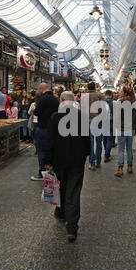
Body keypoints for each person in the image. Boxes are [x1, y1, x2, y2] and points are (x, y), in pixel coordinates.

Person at [45, 91, 90, 243]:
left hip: (59, 160)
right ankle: (72, 227)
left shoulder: (55, 117)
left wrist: (48, 159)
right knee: (74, 190)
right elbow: (86, 139)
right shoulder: (81, 116)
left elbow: (50, 140)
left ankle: (61, 211)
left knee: (61, 187)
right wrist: (86, 154)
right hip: (77, 160)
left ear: (63, 100)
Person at [31, 83, 59, 181]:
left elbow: (37, 112)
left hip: (43, 128)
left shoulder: (42, 99)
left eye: (38, 88)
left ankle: (42, 173)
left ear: (42, 89)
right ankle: (51, 171)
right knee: (52, 150)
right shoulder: (56, 99)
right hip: (54, 129)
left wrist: (35, 109)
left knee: (41, 151)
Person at [114, 87, 136, 177]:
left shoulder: (120, 102)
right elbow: (135, 117)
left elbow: (117, 116)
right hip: (131, 128)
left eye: (121, 91)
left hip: (122, 129)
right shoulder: (134, 103)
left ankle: (120, 169)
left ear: (125, 93)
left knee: (120, 149)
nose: (120, 92)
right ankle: (130, 167)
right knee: (129, 148)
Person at [86, 82, 104, 171]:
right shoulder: (99, 96)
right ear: (95, 87)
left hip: (88, 122)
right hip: (99, 121)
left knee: (91, 142)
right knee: (99, 141)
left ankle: (92, 163)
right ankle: (98, 161)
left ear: (87, 87)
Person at [103, 90, 114, 162]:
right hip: (111, 121)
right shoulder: (113, 102)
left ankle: (106, 150)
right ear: (111, 94)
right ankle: (107, 154)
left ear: (105, 94)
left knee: (105, 137)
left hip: (103, 121)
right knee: (110, 138)